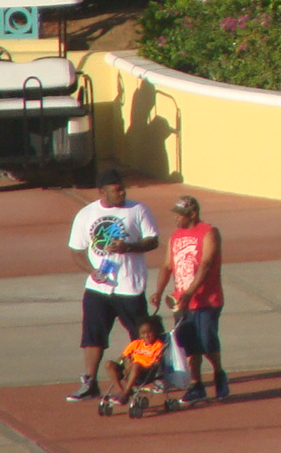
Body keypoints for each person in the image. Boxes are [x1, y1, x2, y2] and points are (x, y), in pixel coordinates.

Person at [66, 167, 158, 402]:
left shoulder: (138, 210)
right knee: (93, 335)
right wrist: (92, 271)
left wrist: (127, 247)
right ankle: (89, 382)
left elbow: (152, 240)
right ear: (102, 192)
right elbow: (77, 250)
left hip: (129, 286)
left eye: (122, 188)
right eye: (116, 190)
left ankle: (147, 377)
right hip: (99, 288)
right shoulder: (86, 214)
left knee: (140, 335)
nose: (122, 193)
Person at [151, 194, 228, 402]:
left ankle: (219, 373)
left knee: (206, 340)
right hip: (181, 302)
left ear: (192, 214)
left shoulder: (209, 233)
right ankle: (197, 384)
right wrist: (159, 291)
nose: (176, 218)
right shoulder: (175, 236)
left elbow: (206, 265)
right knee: (188, 343)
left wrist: (190, 293)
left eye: (180, 215)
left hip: (206, 300)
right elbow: (167, 265)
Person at [105, 316, 170, 405]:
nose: (146, 335)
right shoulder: (135, 344)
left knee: (136, 365)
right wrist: (125, 362)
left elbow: (156, 363)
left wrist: (138, 365)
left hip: (145, 372)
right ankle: (123, 391)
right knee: (109, 364)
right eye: (143, 333)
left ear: (155, 332)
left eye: (149, 332)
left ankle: (125, 394)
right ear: (140, 334)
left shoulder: (158, 345)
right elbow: (122, 357)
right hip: (128, 369)